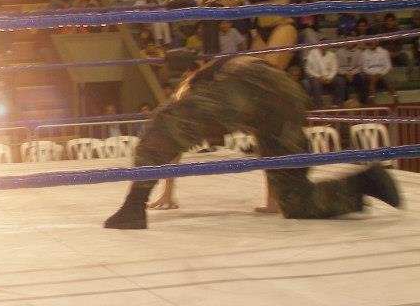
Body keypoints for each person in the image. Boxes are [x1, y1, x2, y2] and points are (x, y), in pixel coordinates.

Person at [103, 52, 400, 229]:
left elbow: (171, 134)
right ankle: (365, 182)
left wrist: (158, 192)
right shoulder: (223, 70)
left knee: (159, 128)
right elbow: (261, 132)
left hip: (249, 85)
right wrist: (274, 195)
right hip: (285, 92)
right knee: (296, 201)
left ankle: (133, 206)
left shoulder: (197, 83)